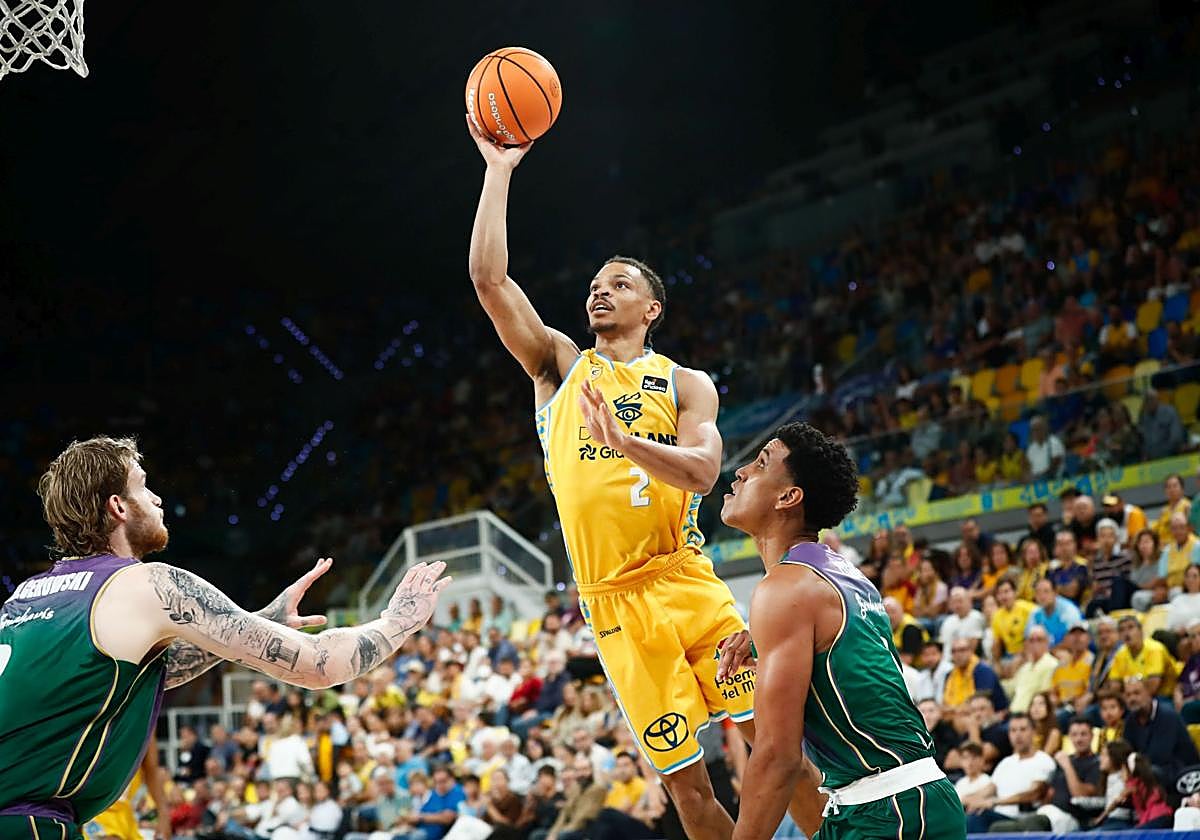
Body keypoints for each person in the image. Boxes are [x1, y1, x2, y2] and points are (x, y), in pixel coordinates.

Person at [466, 122, 764, 840]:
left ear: (651, 309)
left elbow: (703, 472)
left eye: (620, 284)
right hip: (614, 607)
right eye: (596, 285)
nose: (601, 292)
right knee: (689, 791)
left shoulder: (686, 382)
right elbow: (488, 280)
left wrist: (623, 441)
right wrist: (499, 170)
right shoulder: (561, 367)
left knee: (775, 750)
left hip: (686, 580)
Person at [0, 436, 451, 839]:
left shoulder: (24, 601)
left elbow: (116, 678)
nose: (157, 498)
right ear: (118, 506)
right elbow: (318, 665)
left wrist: (257, 622)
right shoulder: (147, 583)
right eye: (143, 486)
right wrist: (399, 621)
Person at [717, 422, 965, 839]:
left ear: (788, 497)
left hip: (891, 808)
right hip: (893, 801)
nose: (740, 472)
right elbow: (845, 664)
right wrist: (761, 638)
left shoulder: (787, 588)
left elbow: (778, 754)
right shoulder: (843, 576)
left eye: (760, 464)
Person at [961, 713, 1056, 833]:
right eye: (1013, 730)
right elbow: (989, 789)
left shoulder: (1043, 760)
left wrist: (992, 802)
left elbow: (1034, 794)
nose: (1018, 735)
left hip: (1024, 819)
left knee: (975, 820)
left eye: (1023, 729)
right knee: (964, 817)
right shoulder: (1006, 762)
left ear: (1033, 732)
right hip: (998, 816)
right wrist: (966, 800)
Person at [1121, 676, 1199, 782]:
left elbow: (1159, 755)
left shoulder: (1168, 715)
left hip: (1178, 773)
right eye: (1128, 695)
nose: (1132, 699)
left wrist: (1134, 764)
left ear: (1148, 693)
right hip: (1149, 769)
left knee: (1151, 771)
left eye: (1137, 693)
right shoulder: (1131, 719)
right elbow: (1126, 751)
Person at [1091, 738, 1175, 829]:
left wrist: (1100, 818)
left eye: (1123, 771)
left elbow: (1116, 802)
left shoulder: (1132, 785)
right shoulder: (1140, 782)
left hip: (1153, 816)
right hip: (1157, 815)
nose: (1121, 775)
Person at [1108, 615, 1177, 698]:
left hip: (1163, 696)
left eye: (1131, 627)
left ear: (1140, 630)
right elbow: (1114, 688)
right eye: (1122, 630)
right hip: (1131, 698)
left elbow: (1152, 687)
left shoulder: (1155, 649)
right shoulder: (1120, 654)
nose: (1126, 633)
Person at [1009, 627, 1059, 714]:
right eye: (1031, 640)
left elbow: (1045, 695)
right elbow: (1011, 688)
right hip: (1013, 712)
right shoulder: (1025, 667)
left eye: (1039, 640)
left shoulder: (1052, 665)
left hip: (1031, 714)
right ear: (1027, 644)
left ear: (1047, 643)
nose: (1035, 644)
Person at [1089, 518, 1132, 615]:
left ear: (1116, 538)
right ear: (1098, 539)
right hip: (1102, 599)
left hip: (1121, 599)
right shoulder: (1095, 562)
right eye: (1102, 536)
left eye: (1110, 536)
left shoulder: (1125, 558)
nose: (1106, 540)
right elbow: (1096, 585)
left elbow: (1128, 583)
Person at [990, 578, 1035, 671]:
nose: (1003, 596)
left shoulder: (1028, 608)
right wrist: (996, 663)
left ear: (1014, 592)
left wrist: (1021, 654)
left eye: (1006, 591)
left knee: (1016, 663)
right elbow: (997, 643)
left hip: (1029, 652)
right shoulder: (996, 616)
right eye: (1000, 593)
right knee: (993, 670)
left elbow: (1035, 635)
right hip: (1009, 654)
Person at [1026, 577, 1083, 646]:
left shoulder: (1069, 610)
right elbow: (1028, 639)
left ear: (1055, 593)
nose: (1042, 596)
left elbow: (1075, 642)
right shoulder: (1035, 613)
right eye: (1038, 592)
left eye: (1046, 591)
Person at [1158, 511, 1200, 591]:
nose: (1178, 532)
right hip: (1169, 589)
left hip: (1192, 589)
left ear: (1189, 528)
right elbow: (1162, 576)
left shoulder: (1198, 546)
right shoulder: (1167, 550)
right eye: (1174, 528)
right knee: (1139, 598)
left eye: (1182, 527)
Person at [1047, 531, 1089, 607]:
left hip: (1077, 607)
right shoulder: (1052, 568)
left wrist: (1057, 589)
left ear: (1074, 545)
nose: (1064, 548)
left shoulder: (1082, 566)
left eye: (1067, 543)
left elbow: (1072, 592)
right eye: (1060, 544)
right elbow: (1047, 593)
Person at [1153, 473, 1192, 546]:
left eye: (1175, 486)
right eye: (1168, 487)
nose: (1172, 489)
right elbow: (1156, 532)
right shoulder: (1163, 511)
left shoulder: (1187, 506)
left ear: (1182, 489)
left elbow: (1190, 532)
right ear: (1165, 491)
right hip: (1164, 550)